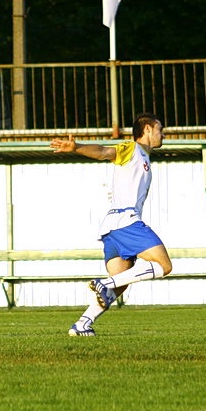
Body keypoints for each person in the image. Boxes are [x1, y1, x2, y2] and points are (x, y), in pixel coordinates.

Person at [50, 113, 173, 336]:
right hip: (126, 222)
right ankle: (104, 283)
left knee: (119, 285)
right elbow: (105, 152)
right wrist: (76, 147)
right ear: (146, 129)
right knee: (164, 266)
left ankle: (82, 324)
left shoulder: (143, 157)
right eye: (159, 129)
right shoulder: (132, 149)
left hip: (111, 228)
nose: (162, 134)